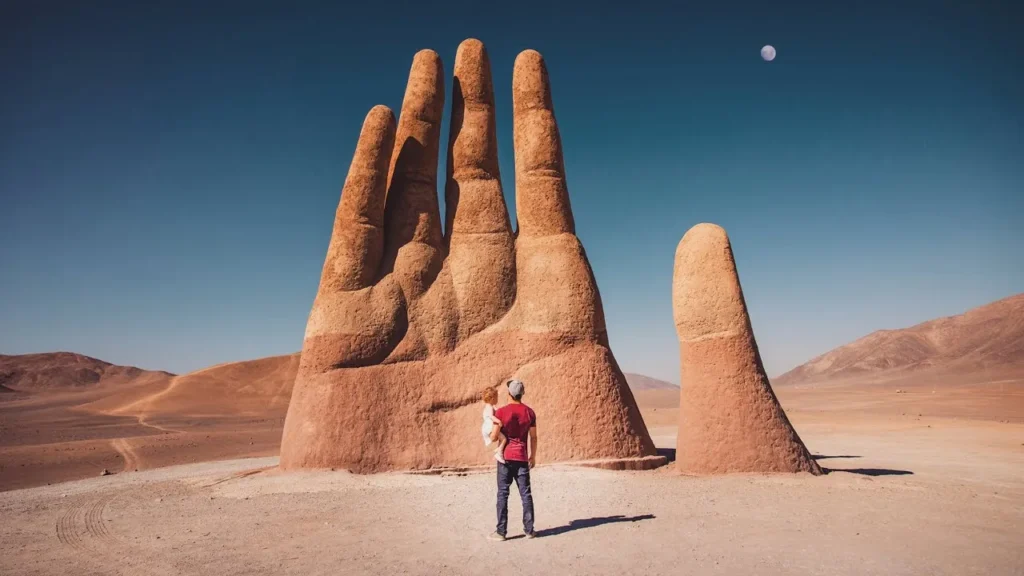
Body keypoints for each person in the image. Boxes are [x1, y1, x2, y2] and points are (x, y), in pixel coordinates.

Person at [487, 378, 537, 541]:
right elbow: (533, 437)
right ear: (521, 394)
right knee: (526, 494)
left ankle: (501, 532)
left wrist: (490, 435)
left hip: (505, 458)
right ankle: (529, 530)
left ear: (509, 393)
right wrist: (533, 456)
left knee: (502, 494)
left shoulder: (500, 412)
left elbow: (495, 436)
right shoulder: (530, 412)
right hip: (522, 457)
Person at [480, 388, 507, 463]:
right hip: (489, 427)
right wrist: (499, 421)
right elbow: (492, 416)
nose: (497, 399)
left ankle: (499, 450)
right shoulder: (489, 407)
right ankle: (499, 453)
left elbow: (497, 410)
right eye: (497, 397)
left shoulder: (490, 406)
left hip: (487, 427)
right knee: (504, 439)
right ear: (492, 398)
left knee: (501, 438)